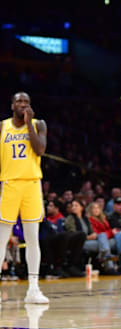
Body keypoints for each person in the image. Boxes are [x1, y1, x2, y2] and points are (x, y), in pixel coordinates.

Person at [0, 92, 49, 304]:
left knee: (32, 239)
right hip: (9, 184)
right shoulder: (2, 127)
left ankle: (33, 288)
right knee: (1, 238)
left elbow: (39, 150)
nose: (22, 104)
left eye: (26, 102)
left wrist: (29, 123)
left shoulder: (39, 125)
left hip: (32, 184)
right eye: (19, 101)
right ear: (12, 105)